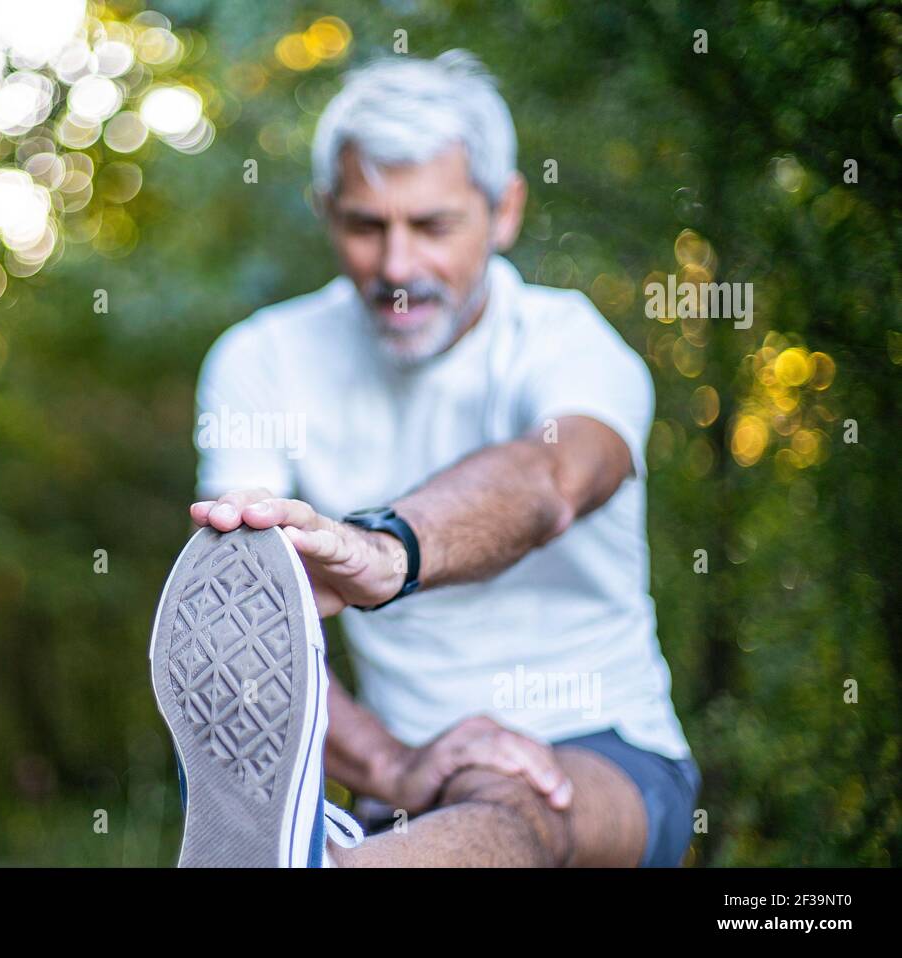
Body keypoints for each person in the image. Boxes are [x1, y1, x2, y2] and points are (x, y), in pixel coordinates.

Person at [156, 50, 700, 867]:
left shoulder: (573, 345)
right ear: (325, 211)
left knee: (517, 794)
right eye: (366, 226)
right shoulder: (262, 360)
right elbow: (244, 615)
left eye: (433, 226)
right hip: (404, 778)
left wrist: (387, 551)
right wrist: (393, 765)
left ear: (504, 210)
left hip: (608, 748)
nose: (398, 269)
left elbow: (550, 479)